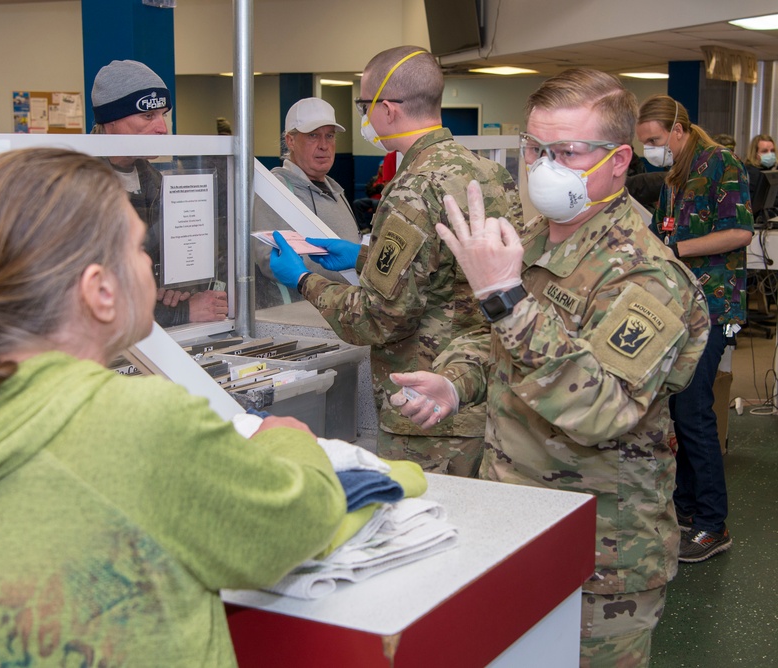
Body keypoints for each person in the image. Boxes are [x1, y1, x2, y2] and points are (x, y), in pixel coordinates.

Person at [0, 147, 346, 667]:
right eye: (140, 250)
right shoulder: (143, 425)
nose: (149, 264)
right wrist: (287, 439)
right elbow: (295, 523)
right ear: (99, 290)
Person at [391, 69, 709, 666]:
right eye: (535, 149)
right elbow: (488, 342)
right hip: (513, 517)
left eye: (566, 151)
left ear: (618, 161)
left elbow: (603, 410)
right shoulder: (535, 238)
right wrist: (454, 381)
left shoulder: (647, 277)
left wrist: (508, 299)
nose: (544, 166)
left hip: (599, 550)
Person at [268, 46, 523, 476]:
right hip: (481, 394)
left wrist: (303, 279)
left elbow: (377, 319)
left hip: (427, 411)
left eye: (365, 106)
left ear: (386, 109)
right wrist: (365, 256)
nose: (366, 117)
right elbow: (455, 273)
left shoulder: (413, 188)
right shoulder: (487, 172)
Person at [637, 95, 753, 564]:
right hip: (682, 308)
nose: (650, 148)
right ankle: (685, 509)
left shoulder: (721, 164)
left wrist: (674, 251)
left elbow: (738, 233)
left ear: (679, 131)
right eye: (644, 142)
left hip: (716, 306)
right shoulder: (674, 176)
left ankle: (712, 523)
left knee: (694, 411)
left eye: (655, 140)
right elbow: (666, 233)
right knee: (676, 409)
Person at [90, 59, 228, 326]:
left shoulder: (156, 184)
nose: (162, 128)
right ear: (111, 121)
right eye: (148, 116)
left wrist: (177, 282)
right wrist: (181, 313)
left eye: (164, 115)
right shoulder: (79, 192)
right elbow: (89, 301)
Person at [253, 97, 361, 308]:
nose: (324, 146)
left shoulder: (336, 190)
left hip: (345, 310)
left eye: (329, 136)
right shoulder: (277, 191)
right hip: (300, 315)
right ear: (291, 141)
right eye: (313, 136)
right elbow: (270, 260)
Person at [745, 133, 776, 209]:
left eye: (772, 151)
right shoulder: (751, 173)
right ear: (755, 154)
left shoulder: (769, 170)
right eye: (765, 151)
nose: (770, 154)